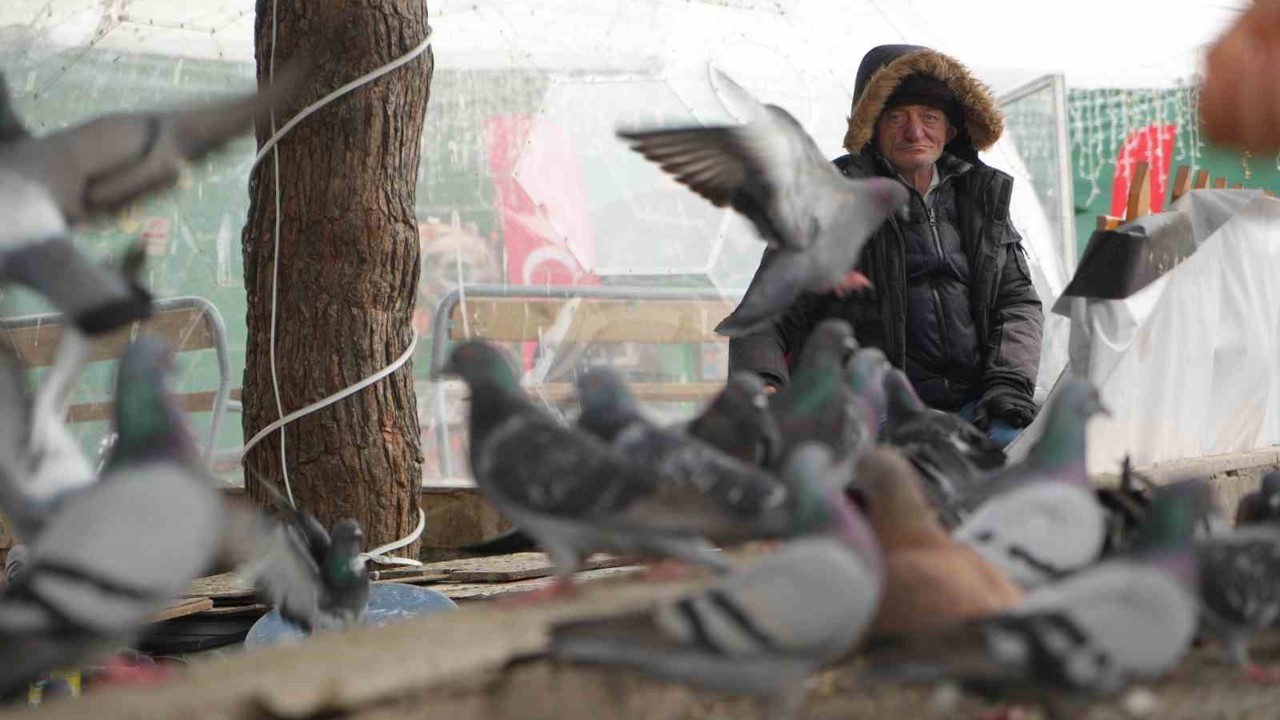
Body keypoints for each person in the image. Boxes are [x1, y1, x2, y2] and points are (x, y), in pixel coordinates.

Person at [728, 44, 1043, 448]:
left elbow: (1017, 301)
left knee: (1025, 459)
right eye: (897, 118)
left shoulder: (981, 199)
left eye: (929, 117)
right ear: (872, 128)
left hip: (975, 404)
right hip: (869, 409)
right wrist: (764, 389)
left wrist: (1009, 383)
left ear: (950, 130)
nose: (915, 132)